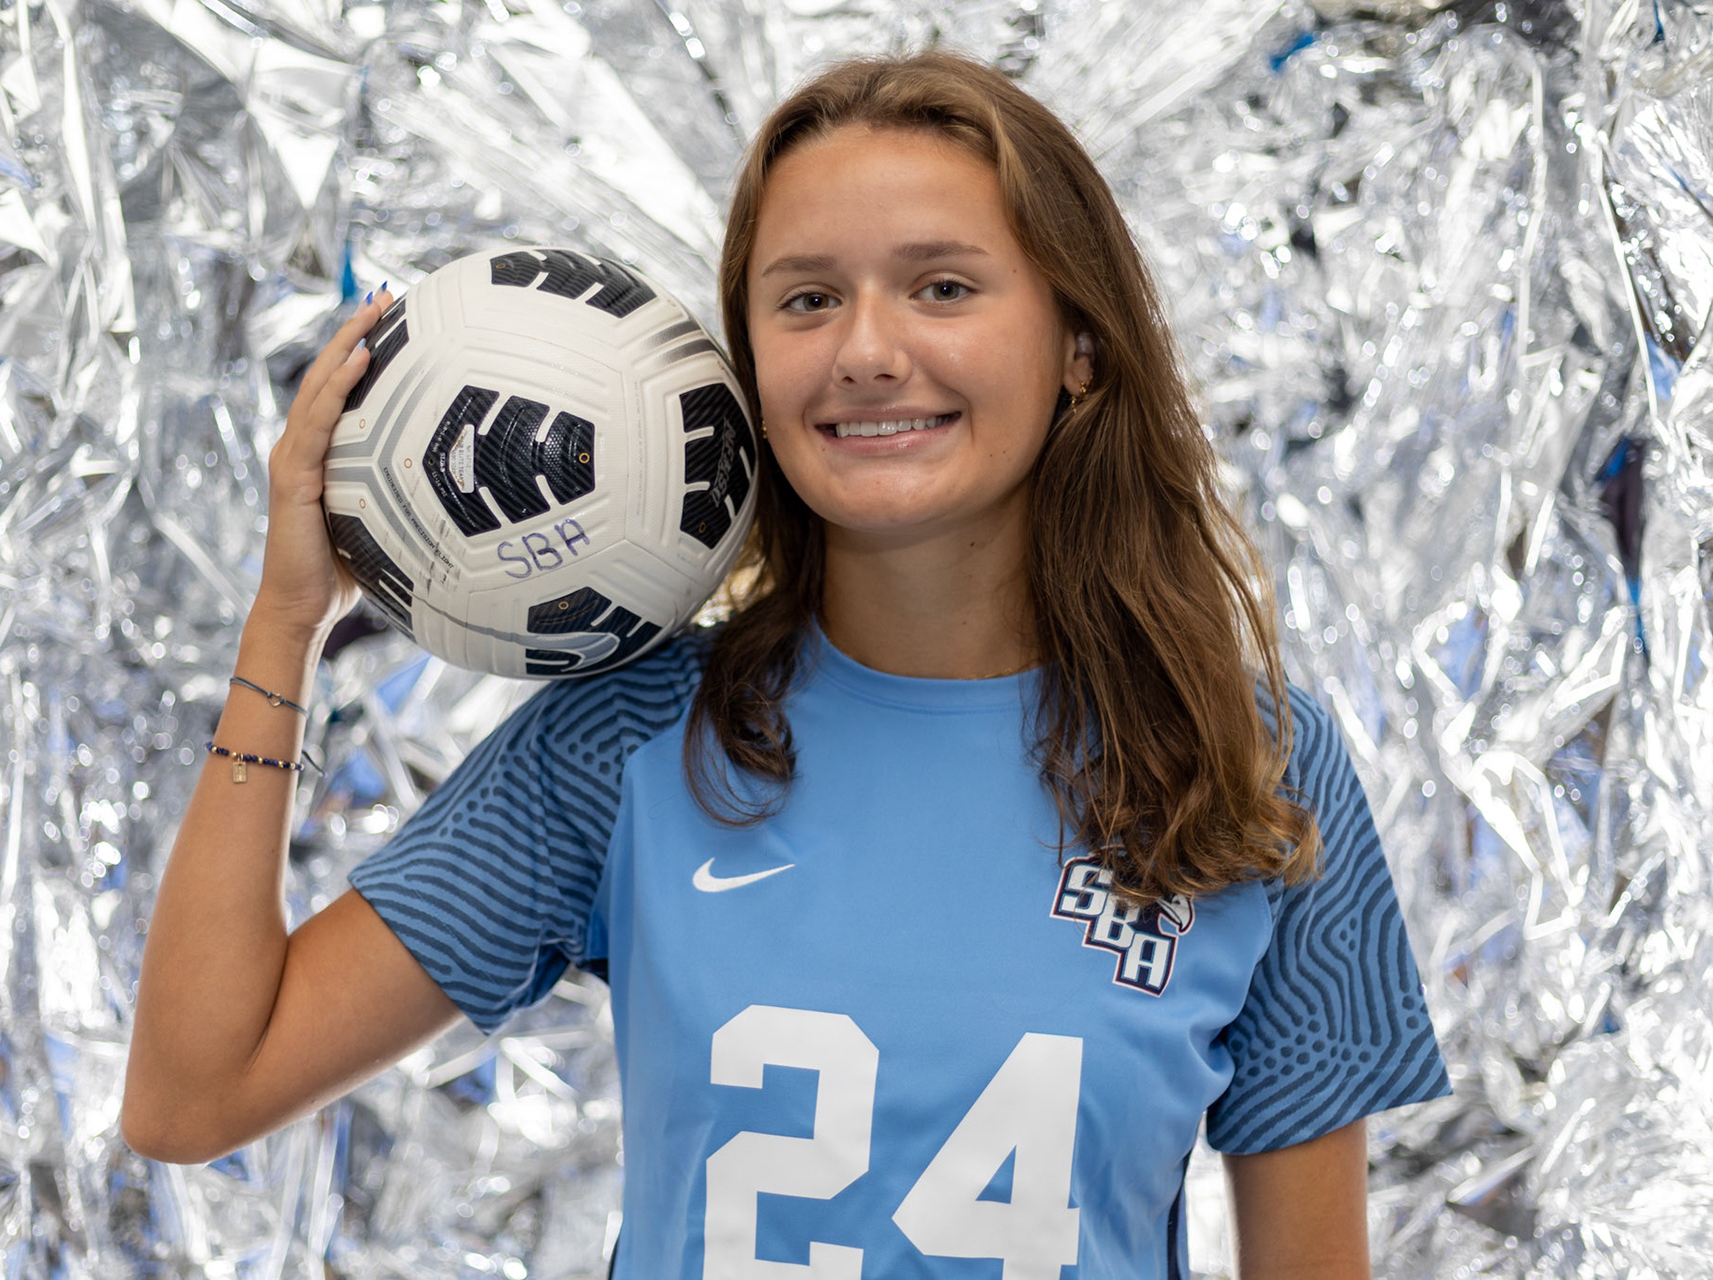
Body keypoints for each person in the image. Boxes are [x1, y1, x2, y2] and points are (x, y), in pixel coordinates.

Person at [123, 50, 1450, 1279]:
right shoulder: (630, 741)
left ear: (1079, 348)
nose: (868, 351)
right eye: (808, 299)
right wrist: (282, 627)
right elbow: (196, 1094)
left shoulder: (1249, 760)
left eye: (942, 285)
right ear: (746, 367)